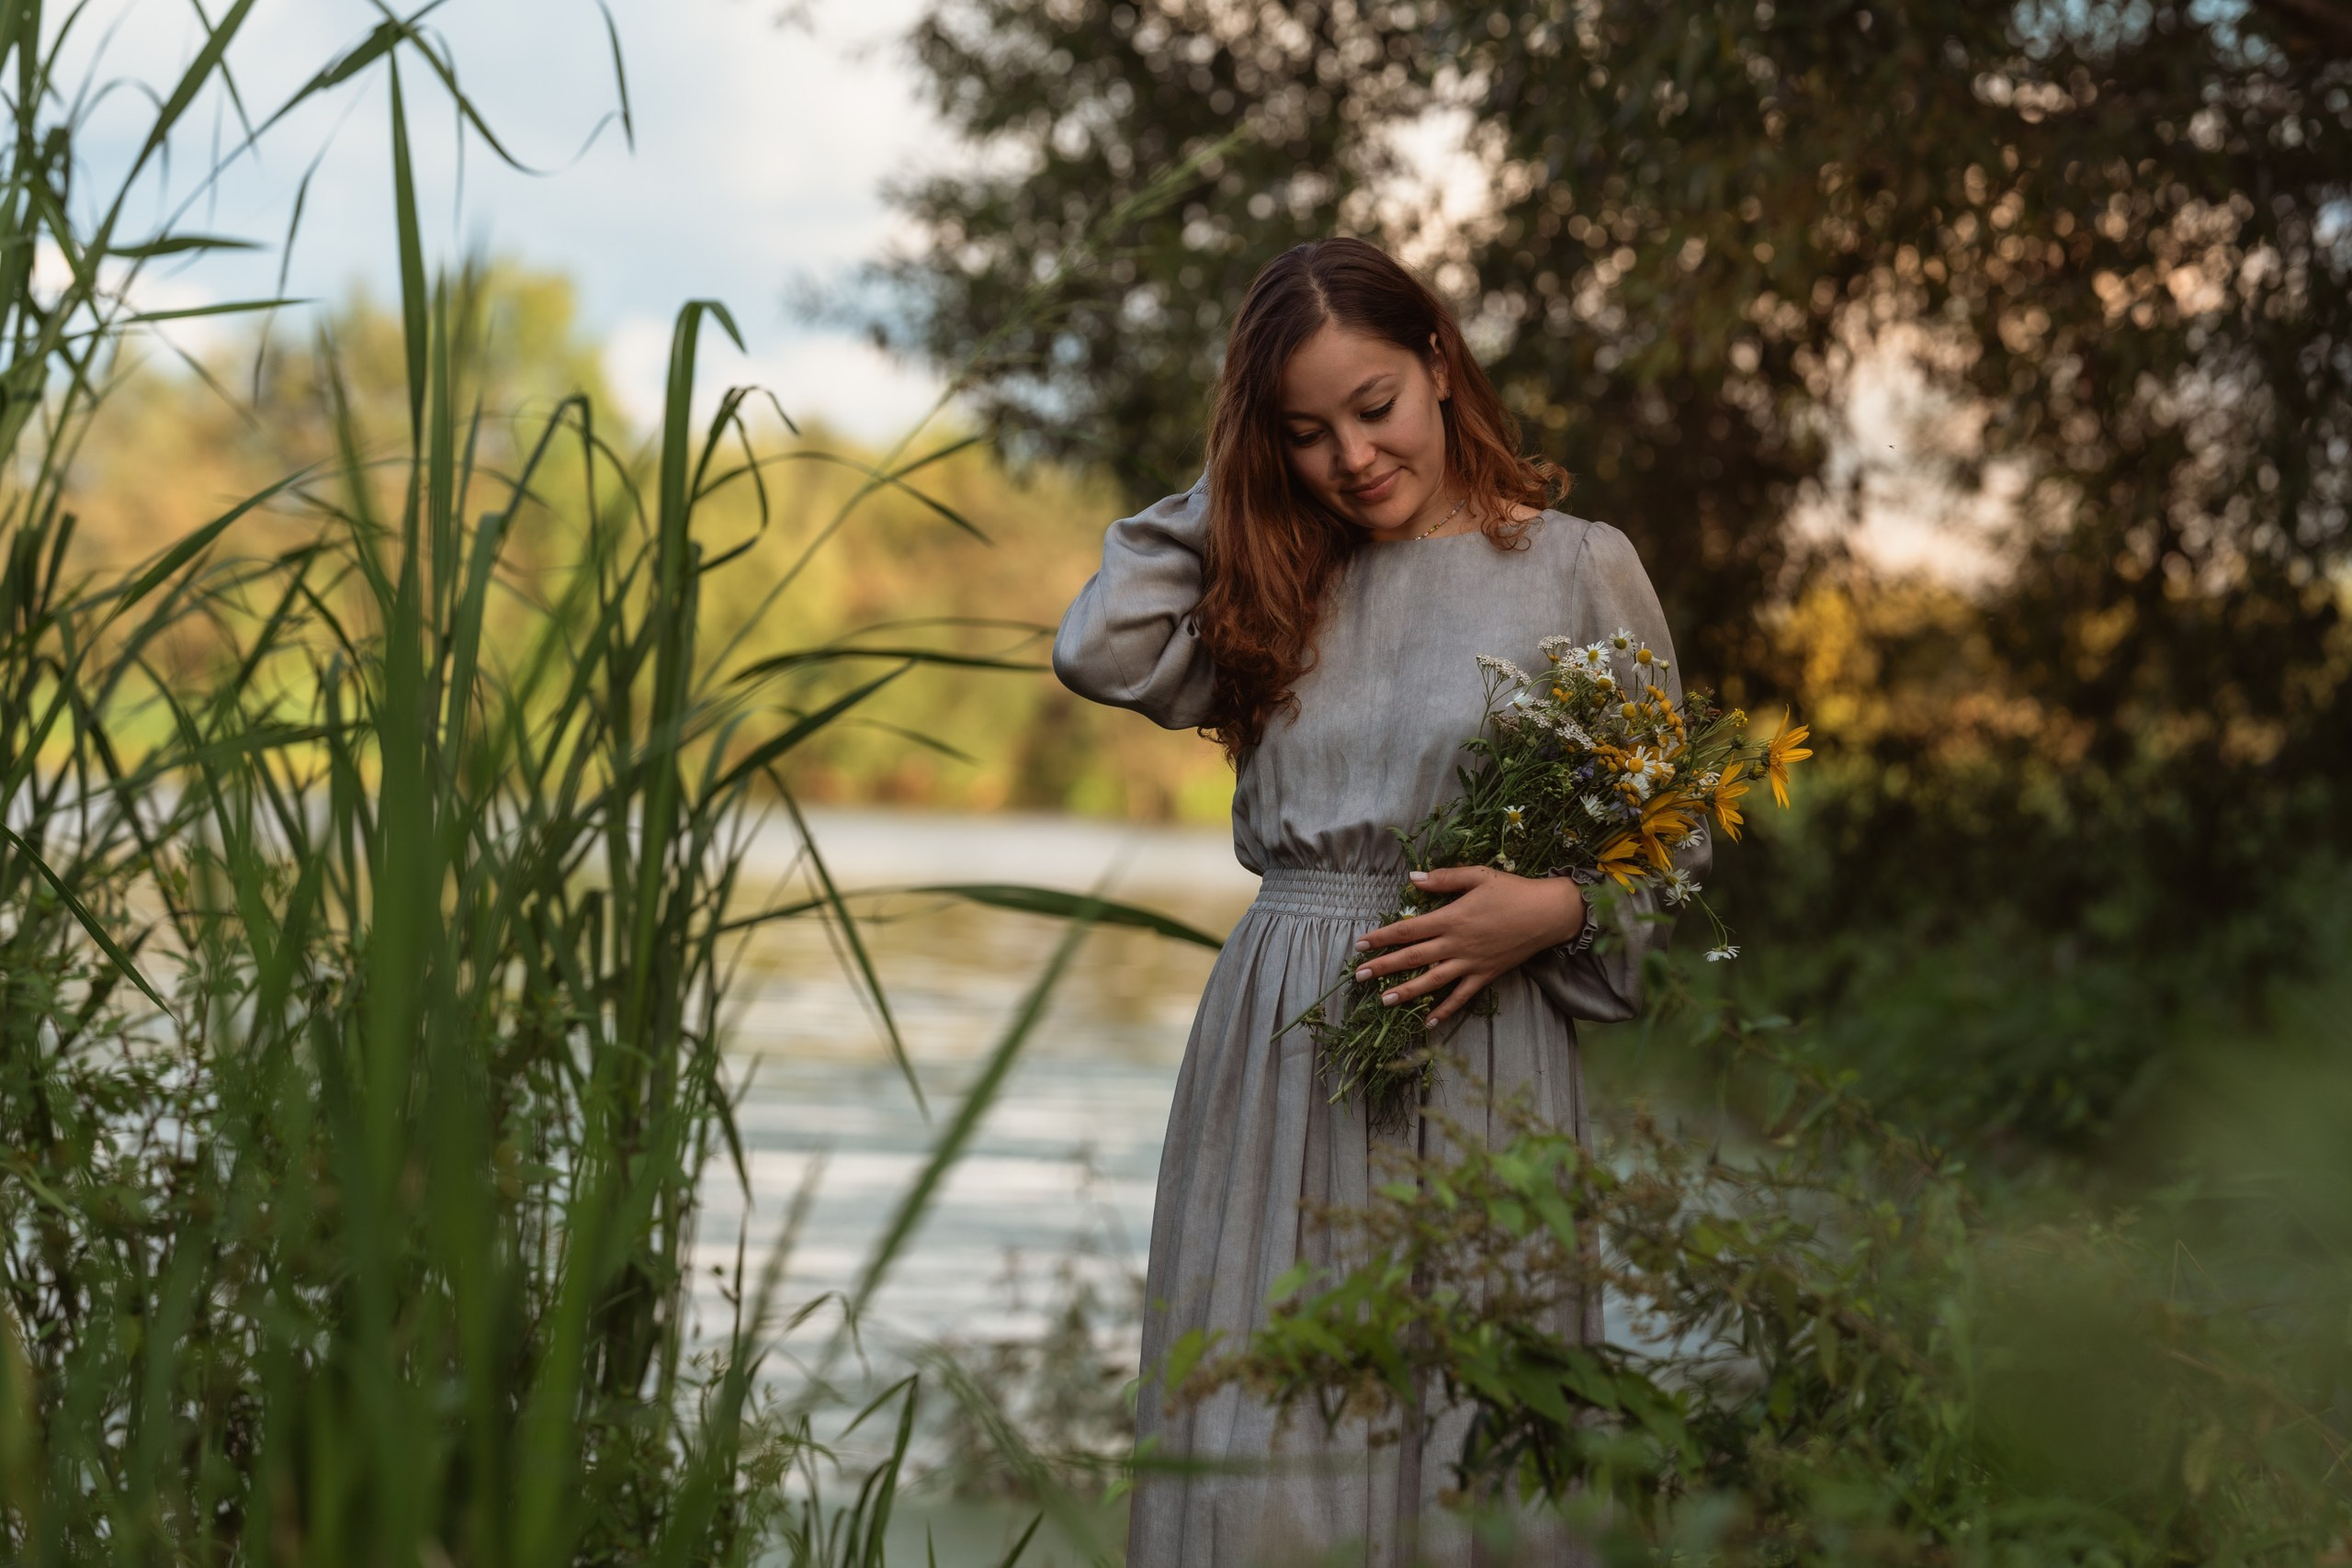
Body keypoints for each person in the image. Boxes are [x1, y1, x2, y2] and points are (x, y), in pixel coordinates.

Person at [1052, 236, 1707, 1566]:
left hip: (1485, 1033)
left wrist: (1558, 910)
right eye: (1305, 432)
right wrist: (1237, 480)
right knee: (1258, 1426)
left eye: (1374, 408)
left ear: (1440, 366)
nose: (1351, 458)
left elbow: (1674, 845)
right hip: (1284, 1045)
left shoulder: (1576, 568)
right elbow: (1097, 644)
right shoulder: (1276, 578)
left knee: (1475, 1432)